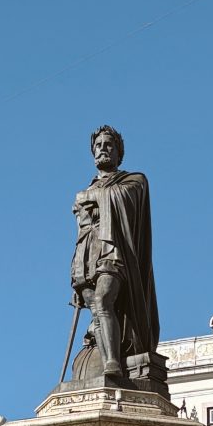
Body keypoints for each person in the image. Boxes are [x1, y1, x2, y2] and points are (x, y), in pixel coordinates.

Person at [70, 125, 159, 377]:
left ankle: (112, 364)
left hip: (115, 252)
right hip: (86, 253)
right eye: (98, 146)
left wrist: (92, 196)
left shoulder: (134, 180)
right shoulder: (88, 188)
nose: (103, 150)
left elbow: (122, 199)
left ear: (119, 153)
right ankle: (107, 353)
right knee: (96, 309)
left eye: (109, 145)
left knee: (103, 299)